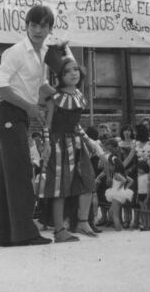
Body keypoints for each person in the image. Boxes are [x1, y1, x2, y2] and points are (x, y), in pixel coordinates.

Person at [0, 5, 56, 247]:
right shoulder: (17, 51)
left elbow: (40, 85)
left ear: (50, 29)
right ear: (26, 26)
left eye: (43, 26)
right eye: (33, 25)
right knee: (21, 174)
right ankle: (25, 233)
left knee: (7, 177)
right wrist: (29, 106)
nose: (38, 30)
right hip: (9, 113)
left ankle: (1, 235)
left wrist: (63, 94)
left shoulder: (44, 53)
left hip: (20, 115)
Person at [41, 57, 97, 242]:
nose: (73, 73)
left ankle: (82, 221)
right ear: (60, 76)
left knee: (88, 180)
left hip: (76, 143)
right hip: (58, 144)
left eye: (75, 69)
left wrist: (89, 141)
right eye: (67, 71)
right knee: (60, 187)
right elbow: (46, 125)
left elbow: (76, 124)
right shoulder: (54, 98)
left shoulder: (80, 95)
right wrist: (47, 144)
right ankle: (59, 230)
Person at [105, 156, 134, 231]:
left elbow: (124, 180)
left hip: (116, 194)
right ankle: (119, 228)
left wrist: (119, 188)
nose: (109, 167)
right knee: (111, 212)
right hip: (118, 194)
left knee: (115, 215)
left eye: (110, 166)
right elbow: (131, 180)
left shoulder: (117, 174)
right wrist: (125, 188)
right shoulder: (120, 173)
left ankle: (118, 230)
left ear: (114, 166)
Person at [136, 160, 150, 231]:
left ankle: (148, 225)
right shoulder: (138, 176)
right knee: (142, 211)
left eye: (140, 168)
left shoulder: (147, 176)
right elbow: (138, 187)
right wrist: (137, 196)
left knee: (146, 211)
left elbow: (148, 187)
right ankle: (144, 224)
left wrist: (147, 197)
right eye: (138, 168)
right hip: (140, 194)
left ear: (144, 168)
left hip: (145, 194)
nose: (139, 170)